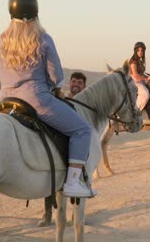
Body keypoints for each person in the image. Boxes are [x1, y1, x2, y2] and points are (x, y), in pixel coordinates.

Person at [0, 0, 96, 198]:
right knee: (82, 130)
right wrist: (56, 89)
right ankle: (73, 182)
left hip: (7, 102)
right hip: (37, 100)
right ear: (36, 12)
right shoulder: (42, 38)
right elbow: (56, 76)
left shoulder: (1, 40)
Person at [39, 71, 87, 227]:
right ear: (69, 83)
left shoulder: (86, 105)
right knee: (51, 175)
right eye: (74, 81)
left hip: (76, 146)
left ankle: (75, 214)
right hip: (60, 142)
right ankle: (47, 214)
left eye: (80, 83)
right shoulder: (62, 100)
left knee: (78, 176)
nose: (76, 85)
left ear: (84, 86)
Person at [129, 42, 150, 111]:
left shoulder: (140, 61)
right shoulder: (133, 61)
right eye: (138, 50)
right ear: (135, 51)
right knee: (145, 94)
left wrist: (149, 77)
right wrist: (146, 79)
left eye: (142, 51)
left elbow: (141, 73)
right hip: (134, 81)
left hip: (140, 80)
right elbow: (135, 75)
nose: (140, 52)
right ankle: (135, 112)